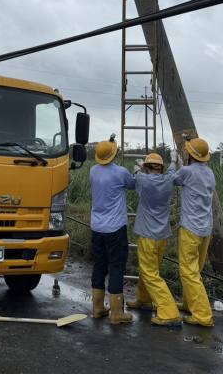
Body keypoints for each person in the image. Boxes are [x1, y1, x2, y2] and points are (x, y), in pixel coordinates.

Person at [127, 152, 182, 327]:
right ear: (161, 168)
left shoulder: (143, 180)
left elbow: (136, 174)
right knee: (150, 270)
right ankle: (143, 300)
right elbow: (173, 170)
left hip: (148, 236)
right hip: (162, 236)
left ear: (147, 167)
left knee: (150, 274)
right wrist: (174, 160)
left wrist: (138, 167)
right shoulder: (169, 180)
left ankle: (169, 312)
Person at [169, 137, 216, 327]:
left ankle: (203, 315)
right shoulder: (210, 173)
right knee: (196, 270)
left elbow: (172, 179)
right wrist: (182, 165)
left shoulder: (187, 172)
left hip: (191, 229)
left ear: (189, 154)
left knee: (188, 272)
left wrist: (173, 162)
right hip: (206, 229)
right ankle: (190, 305)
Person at [90, 134, 135, 324]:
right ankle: (117, 313)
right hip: (115, 228)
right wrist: (138, 171)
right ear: (114, 154)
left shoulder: (93, 170)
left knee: (99, 266)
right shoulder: (121, 172)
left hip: (97, 227)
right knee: (116, 267)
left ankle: (98, 308)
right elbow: (132, 185)